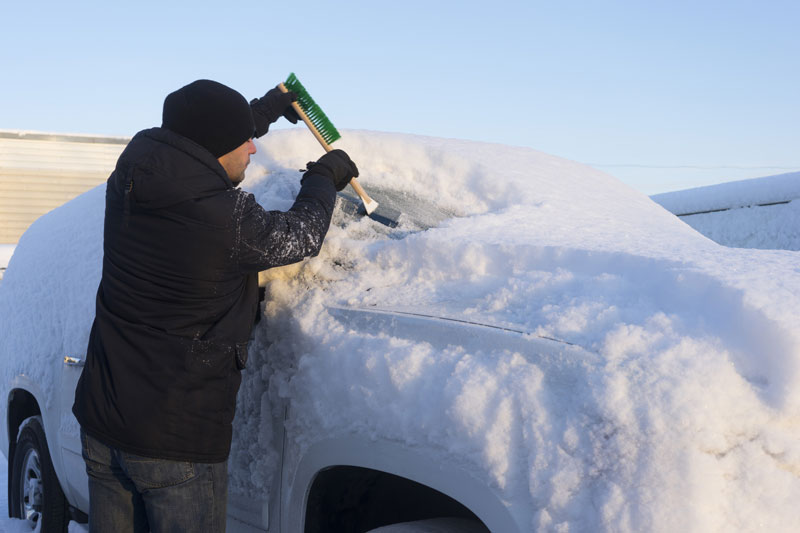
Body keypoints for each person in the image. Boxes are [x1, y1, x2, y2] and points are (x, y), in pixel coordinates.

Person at [72, 79, 358, 532]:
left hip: (102, 422)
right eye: (245, 141)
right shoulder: (225, 220)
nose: (254, 149)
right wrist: (323, 180)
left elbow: (199, 140)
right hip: (174, 443)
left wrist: (260, 113)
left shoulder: (128, 177)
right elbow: (298, 236)